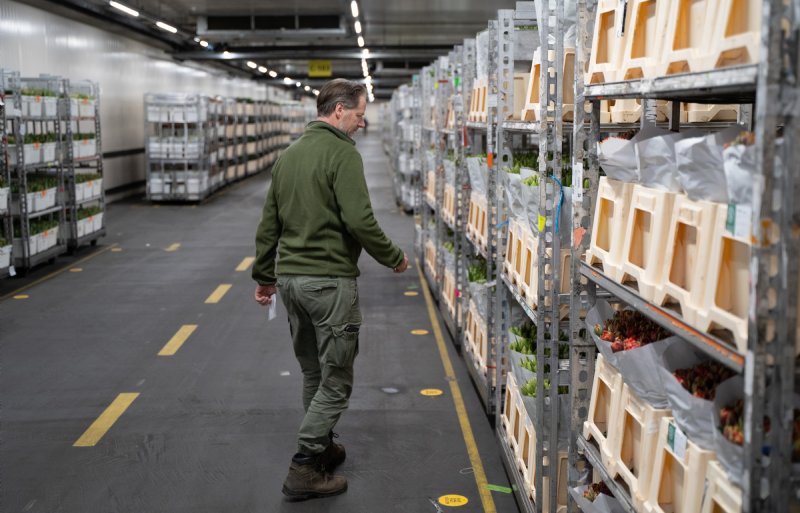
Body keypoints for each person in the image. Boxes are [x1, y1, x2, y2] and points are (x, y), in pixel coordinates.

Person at [252, 78, 409, 501]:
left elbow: (269, 224)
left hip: (291, 283)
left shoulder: (289, 156)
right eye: (359, 114)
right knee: (337, 379)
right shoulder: (342, 155)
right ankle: (304, 467)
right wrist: (393, 255)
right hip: (328, 283)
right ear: (339, 111)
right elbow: (360, 220)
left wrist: (265, 277)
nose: (363, 123)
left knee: (313, 372)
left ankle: (322, 447)